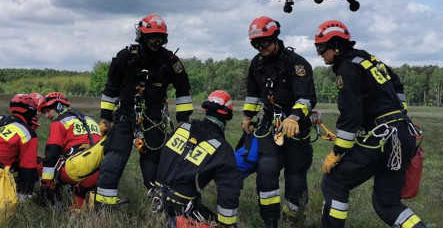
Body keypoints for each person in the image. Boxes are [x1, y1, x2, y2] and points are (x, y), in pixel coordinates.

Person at [313, 20, 428, 228]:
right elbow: (397, 83)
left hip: (383, 139)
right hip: (403, 134)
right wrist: (400, 114)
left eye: (321, 48)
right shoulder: (368, 59)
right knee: (387, 202)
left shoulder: (347, 69)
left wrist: (338, 151)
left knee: (335, 182)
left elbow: (351, 115)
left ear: (337, 47)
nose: (320, 54)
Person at [95, 14, 194, 207]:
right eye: (151, 37)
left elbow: (184, 90)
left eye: (159, 38)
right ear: (141, 36)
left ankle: (159, 203)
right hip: (125, 115)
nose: (155, 42)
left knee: (153, 161)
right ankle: (104, 206)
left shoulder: (170, 61)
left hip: (154, 118)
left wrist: (184, 121)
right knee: (115, 158)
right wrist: (105, 118)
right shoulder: (125, 57)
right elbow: (111, 89)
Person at [242, 16, 316, 228]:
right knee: (266, 171)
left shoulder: (297, 63)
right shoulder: (256, 64)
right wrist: (248, 116)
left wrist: (294, 117)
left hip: (296, 128)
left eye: (264, 42)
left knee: (295, 175)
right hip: (269, 126)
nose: (260, 47)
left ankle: (293, 220)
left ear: (275, 39)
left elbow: (306, 98)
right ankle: (270, 221)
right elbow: (253, 93)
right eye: (255, 44)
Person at [151, 90, 241, 228]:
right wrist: (228, 224)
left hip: (156, 202)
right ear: (228, 115)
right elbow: (229, 190)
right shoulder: (222, 148)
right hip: (181, 211)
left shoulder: (182, 128)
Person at [38, 92, 102, 210]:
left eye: (47, 111)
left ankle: (55, 206)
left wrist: (45, 186)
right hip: (100, 172)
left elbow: (51, 156)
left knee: (43, 164)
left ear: (58, 107)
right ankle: (77, 209)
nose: (46, 116)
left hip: (78, 171)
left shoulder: (59, 123)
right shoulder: (91, 120)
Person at [0, 94, 40, 201]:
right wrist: (25, 193)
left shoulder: (2, 118)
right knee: (38, 162)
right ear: (31, 112)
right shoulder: (27, 132)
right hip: (2, 172)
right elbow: (28, 166)